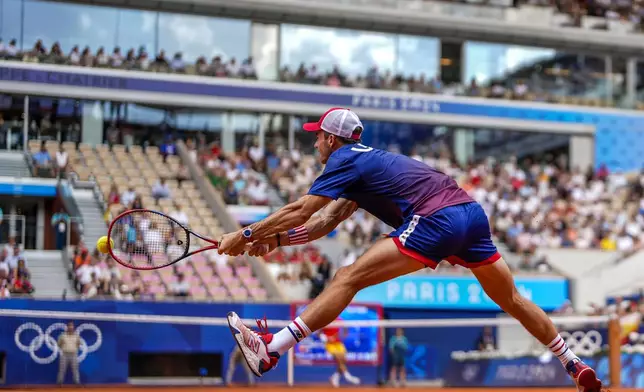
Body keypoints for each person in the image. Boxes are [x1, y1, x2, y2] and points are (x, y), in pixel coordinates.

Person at [219, 107, 602, 392]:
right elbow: (325, 222)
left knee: (347, 278)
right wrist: (279, 240)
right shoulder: (368, 163)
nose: (315, 141)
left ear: (331, 140)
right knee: (513, 299)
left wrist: (247, 234)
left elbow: (303, 209)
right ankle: (572, 363)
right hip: (470, 214)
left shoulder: (342, 160)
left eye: (317, 135)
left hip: (435, 218)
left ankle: (272, 349)